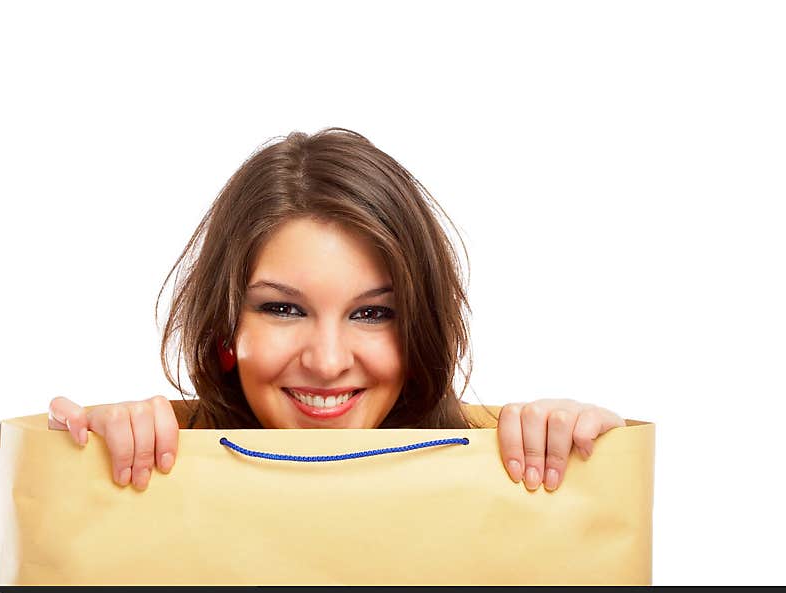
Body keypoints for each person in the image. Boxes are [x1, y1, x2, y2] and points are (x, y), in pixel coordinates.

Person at [48, 128, 625, 493]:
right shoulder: (151, 466)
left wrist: (580, 453)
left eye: (373, 315)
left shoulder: (494, 474)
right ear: (225, 329)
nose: (326, 363)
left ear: (420, 331)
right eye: (282, 308)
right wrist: (94, 461)